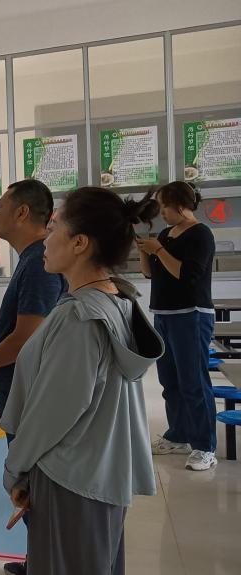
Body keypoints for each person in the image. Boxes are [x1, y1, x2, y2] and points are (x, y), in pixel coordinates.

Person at [1, 187, 163, 575]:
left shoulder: (79, 318)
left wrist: (16, 469)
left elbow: (52, 413)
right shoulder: (116, 298)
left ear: (79, 243)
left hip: (70, 479)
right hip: (100, 471)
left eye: (54, 227)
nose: (45, 238)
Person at [0, 180, 65, 575]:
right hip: (22, 395)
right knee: (29, 483)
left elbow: (27, 337)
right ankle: (40, 558)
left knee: (34, 482)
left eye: (1, 205)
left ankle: (46, 562)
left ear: (22, 212)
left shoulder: (40, 262)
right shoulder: (32, 259)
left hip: (31, 399)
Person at [138, 181, 218, 471]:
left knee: (193, 381)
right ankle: (179, 435)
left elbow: (186, 275)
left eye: (165, 206)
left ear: (181, 205)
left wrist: (159, 250)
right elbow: (150, 274)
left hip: (191, 315)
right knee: (170, 381)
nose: (161, 212)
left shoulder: (201, 234)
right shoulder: (165, 234)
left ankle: (205, 446)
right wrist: (145, 252)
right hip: (163, 314)